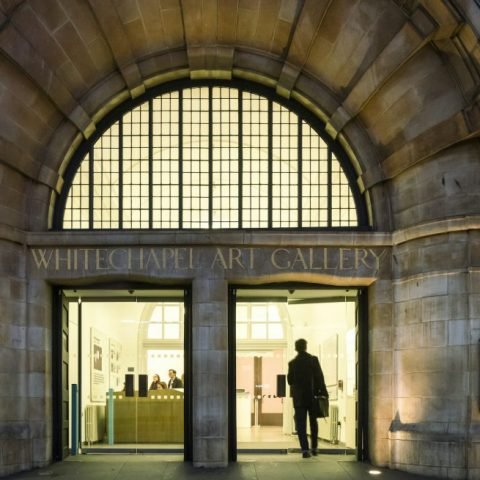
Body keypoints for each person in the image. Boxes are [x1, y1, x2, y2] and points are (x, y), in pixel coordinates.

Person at [287, 338, 328, 458]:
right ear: (305, 347)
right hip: (312, 396)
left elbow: (290, 381)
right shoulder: (313, 360)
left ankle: (305, 450)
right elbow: (320, 377)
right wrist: (324, 392)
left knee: (301, 424)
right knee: (313, 423)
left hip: (299, 399)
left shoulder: (292, 363)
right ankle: (314, 448)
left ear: (296, 348)